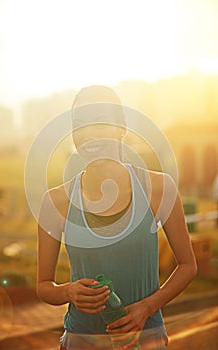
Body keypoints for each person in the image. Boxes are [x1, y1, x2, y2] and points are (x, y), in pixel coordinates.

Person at [37, 86, 197, 349]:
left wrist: (146, 308)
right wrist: (68, 291)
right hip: (82, 340)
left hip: (146, 339)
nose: (88, 135)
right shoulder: (55, 202)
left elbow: (188, 266)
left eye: (100, 123)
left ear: (122, 127)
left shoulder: (159, 188)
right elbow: (44, 285)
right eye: (80, 126)